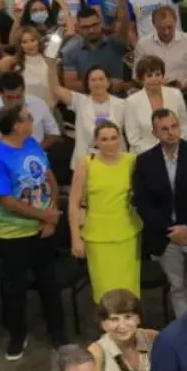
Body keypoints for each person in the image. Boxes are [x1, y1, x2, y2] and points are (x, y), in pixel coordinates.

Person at [0, 102, 67, 360]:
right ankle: (17, 335)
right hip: (13, 234)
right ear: (16, 126)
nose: (32, 121)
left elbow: (49, 179)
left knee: (49, 282)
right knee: (14, 288)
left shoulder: (32, 144)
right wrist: (46, 215)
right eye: (28, 118)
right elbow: (7, 201)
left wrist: (51, 218)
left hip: (42, 228)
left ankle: (58, 333)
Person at [132, 109, 187, 317]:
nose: (170, 132)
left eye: (173, 127)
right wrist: (170, 230)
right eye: (164, 129)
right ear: (154, 133)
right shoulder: (145, 161)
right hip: (166, 237)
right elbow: (143, 204)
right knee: (178, 287)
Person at [70, 121, 143, 300]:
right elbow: (73, 203)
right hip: (97, 237)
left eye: (113, 138)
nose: (110, 143)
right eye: (104, 139)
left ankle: (131, 326)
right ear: (96, 141)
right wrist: (75, 238)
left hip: (128, 235)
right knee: (105, 293)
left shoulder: (131, 161)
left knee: (129, 291)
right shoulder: (86, 164)